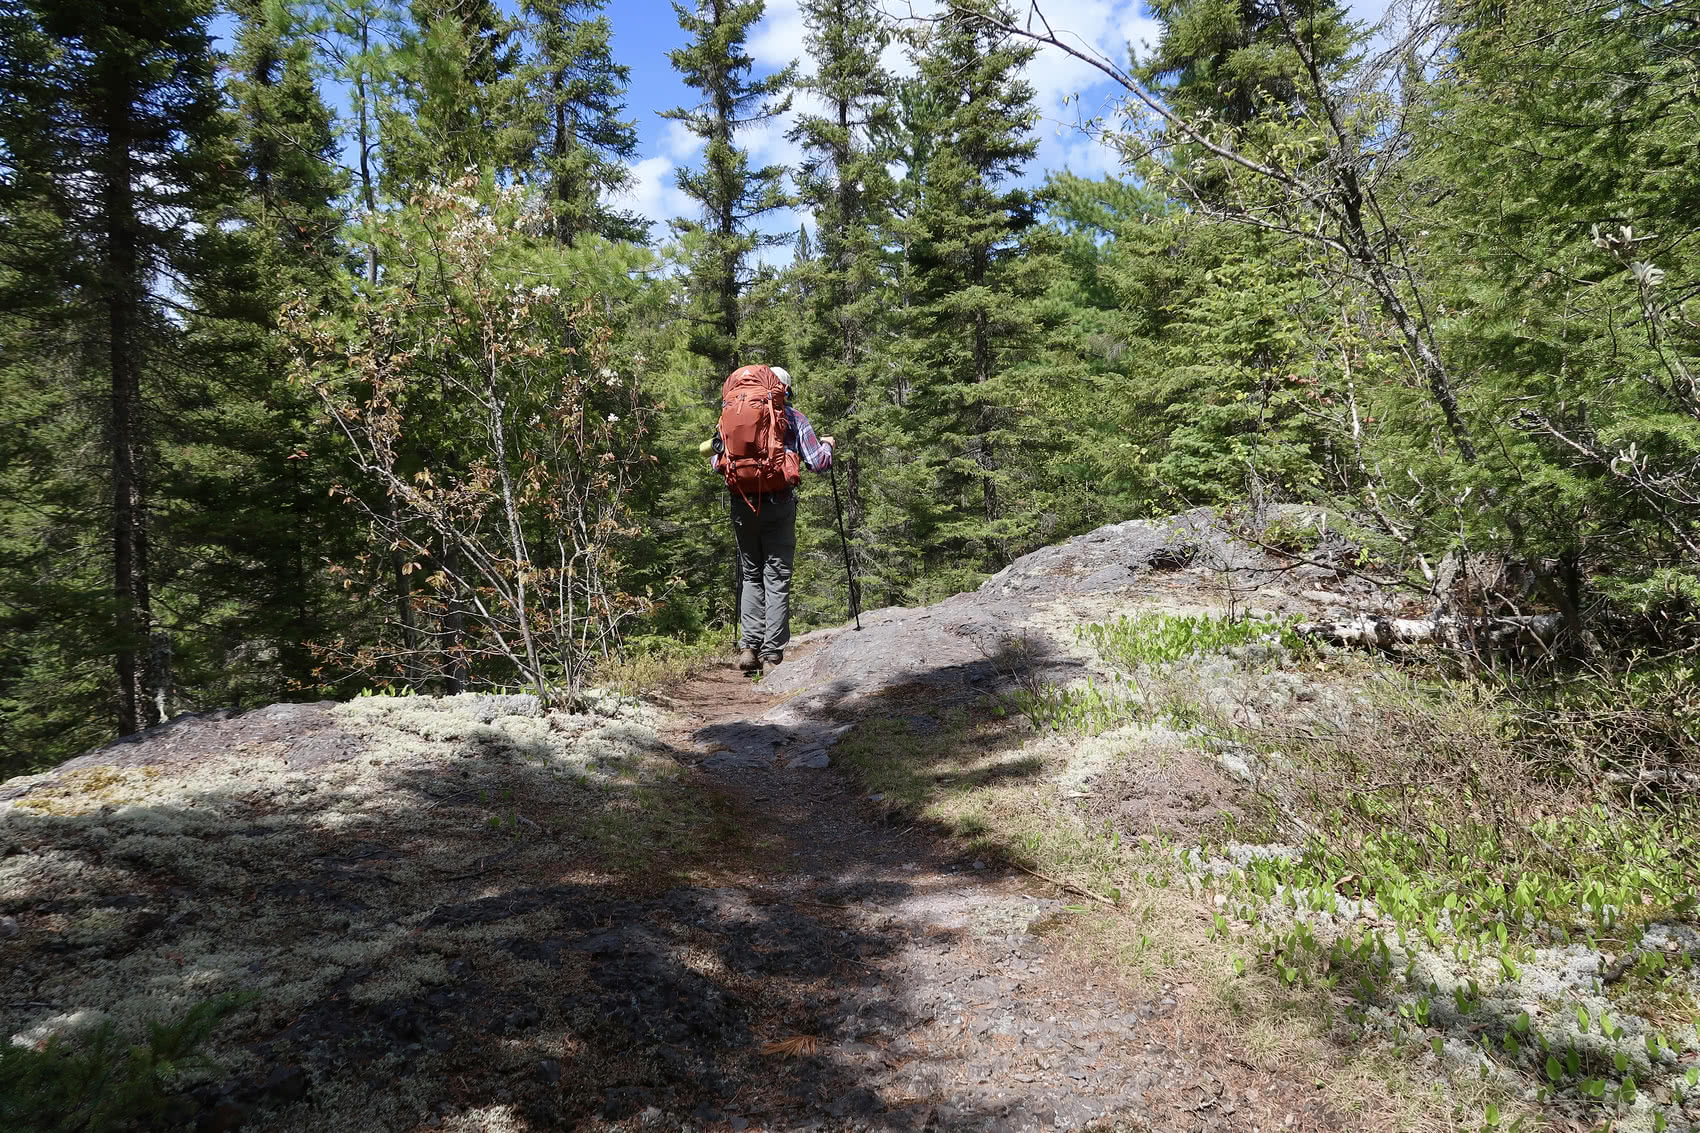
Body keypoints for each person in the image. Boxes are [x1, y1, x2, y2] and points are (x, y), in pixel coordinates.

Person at [710, 366, 834, 674]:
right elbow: (818, 463)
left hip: (742, 502)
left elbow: (716, 462)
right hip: (778, 503)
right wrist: (829, 445)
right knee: (776, 576)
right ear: (786, 391)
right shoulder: (793, 418)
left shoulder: (731, 414)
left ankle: (749, 648)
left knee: (751, 575)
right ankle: (772, 655)